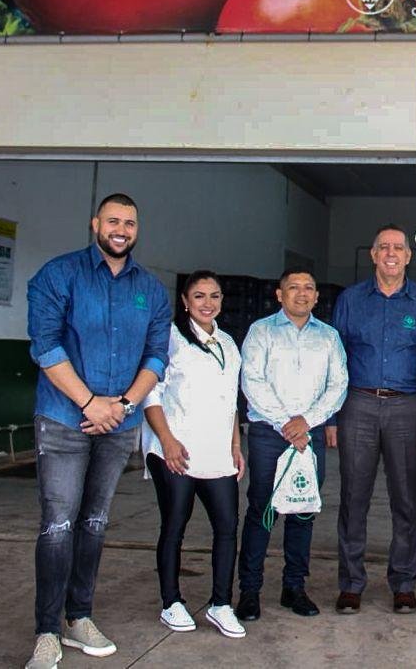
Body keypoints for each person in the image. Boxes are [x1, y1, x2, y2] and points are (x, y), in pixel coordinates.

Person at [24, 193, 171, 669]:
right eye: (113, 220)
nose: (121, 229)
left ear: (137, 228)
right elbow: (45, 347)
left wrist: (124, 405)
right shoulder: (58, 275)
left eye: (129, 222)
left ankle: (79, 617)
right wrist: (90, 402)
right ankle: (47, 630)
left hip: (118, 424)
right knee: (58, 524)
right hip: (65, 420)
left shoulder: (151, 289)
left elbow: (156, 357)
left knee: (94, 523)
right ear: (95, 224)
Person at [331, 224, 416, 614]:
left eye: (399, 247)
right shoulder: (350, 300)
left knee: (406, 499)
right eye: (384, 247)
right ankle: (351, 584)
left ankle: (403, 583)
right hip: (357, 405)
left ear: (409, 256)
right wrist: (332, 417)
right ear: (373, 254)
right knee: (353, 497)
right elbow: (336, 359)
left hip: (407, 407)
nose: (392, 253)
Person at [235, 268, 348, 621]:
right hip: (270, 434)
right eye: (293, 288)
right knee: (262, 511)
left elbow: (338, 384)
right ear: (279, 295)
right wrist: (286, 422)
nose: (302, 294)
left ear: (316, 297)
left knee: (302, 511)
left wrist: (307, 422)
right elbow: (252, 380)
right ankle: (250, 590)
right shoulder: (261, 332)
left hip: (309, 434)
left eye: (309, 288)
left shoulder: (329, 337)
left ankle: (294, 587)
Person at [141, 270, 246, 639]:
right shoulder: (169, 339)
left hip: (217, 452)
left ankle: (221, 604)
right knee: (175, 525)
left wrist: (236, 445)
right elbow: (150, 394)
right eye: (198, 296)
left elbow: (232, 401)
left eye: (214, 296)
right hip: (177, 451)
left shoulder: (229, 343)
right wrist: (167, 440)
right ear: (184, 301)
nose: (207, 303)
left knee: (227, 528)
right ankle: (171, 602)